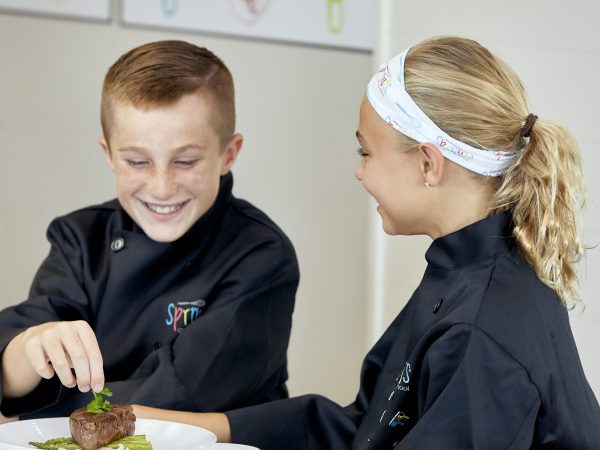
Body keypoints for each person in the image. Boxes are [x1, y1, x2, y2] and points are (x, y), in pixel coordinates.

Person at [131, 36, 600, 449]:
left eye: (365, 151)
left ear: (428, 164)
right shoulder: (465, 276)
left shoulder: (479, 329)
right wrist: (189, 427)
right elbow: (364, 426)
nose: (359, 171)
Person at [0, 40, 299, 419]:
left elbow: (180, 392)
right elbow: (14, 369)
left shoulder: (260, 253)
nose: (161, 187)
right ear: (109, 154)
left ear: (229, 154)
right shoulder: (80, 240)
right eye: (138, 161)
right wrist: (30, 346)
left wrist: (33, 417)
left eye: (186, 161)